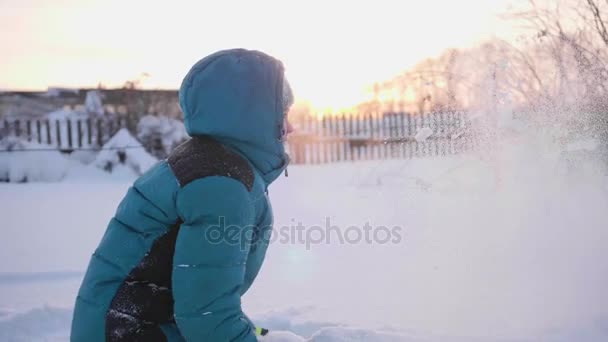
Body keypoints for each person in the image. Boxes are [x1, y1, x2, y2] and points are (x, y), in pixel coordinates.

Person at [71, 49, 294, 341]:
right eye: (283, 115)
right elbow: (206, 319)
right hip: (130, 333)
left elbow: (203, 300)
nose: (291, 127)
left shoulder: (210, 166)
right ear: (253, 116)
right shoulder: (220, 186)